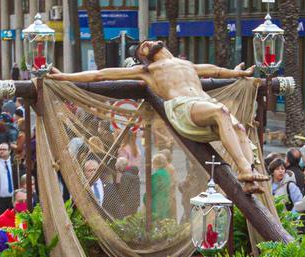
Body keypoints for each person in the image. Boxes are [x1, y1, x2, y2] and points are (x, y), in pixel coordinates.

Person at [55, 42, 264, 186]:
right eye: (142, 49)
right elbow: (100, 75)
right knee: (221, 111)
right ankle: (244, 168)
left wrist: (237, 73)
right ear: (144, 59)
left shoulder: (187, 64)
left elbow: (217, 71)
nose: (146, 45)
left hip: (204, 102)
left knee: (239, 128)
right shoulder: (149, 70)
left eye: (147, 43)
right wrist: (65, 76)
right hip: (184, 107)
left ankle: (250, 179)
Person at [149, 151, 175, 222]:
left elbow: (151, 192)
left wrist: (145, 199)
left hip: (157, 203)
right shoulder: (166, 173)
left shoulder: (156, 175)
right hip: (165, 202)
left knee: (157, 222)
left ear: (155, 164)